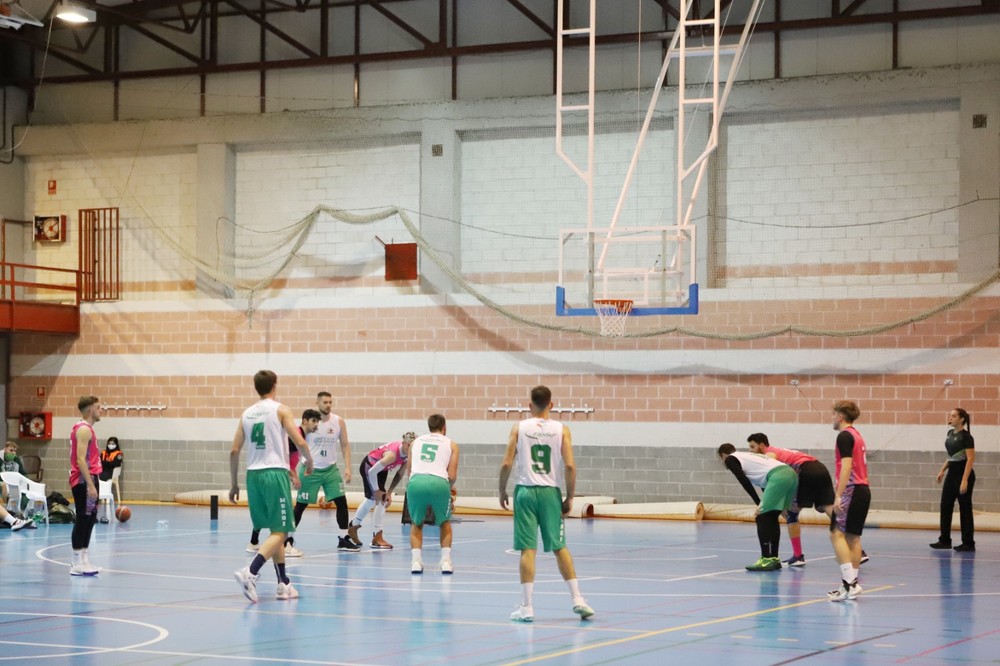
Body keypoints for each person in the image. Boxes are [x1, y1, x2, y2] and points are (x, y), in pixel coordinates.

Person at [499, 385, 594, 623]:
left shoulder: (518, 428)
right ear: (551, 405)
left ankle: (527, 607)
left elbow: (506, 464)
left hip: (525, 492)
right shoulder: (562, 429)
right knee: (559, 546)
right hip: (550, 493)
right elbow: (570, 466)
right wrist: (570, 497)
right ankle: (578, 599)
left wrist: (501, 489)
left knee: (527, 549)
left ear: (529, 405)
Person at [230, 370, 315, 603]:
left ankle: (283, 583)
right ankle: (251, 572)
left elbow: (234, 450)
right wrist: (309, 461)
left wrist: (234, 484)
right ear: (275, 385)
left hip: (252, 475)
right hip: (274, 473)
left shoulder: (246, 414)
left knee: (276, 531)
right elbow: (299, 440)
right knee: (282, 530)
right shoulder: (281, 409)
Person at [748, 433, 835, 567]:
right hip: (819, 467)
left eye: (752, 447)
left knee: (791, 515)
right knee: (830, 509)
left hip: (804, 470)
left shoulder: (768, 454)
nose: (751, 451)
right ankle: (857, 551)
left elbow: (775, 477)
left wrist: (779, 505)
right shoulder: (781, 450)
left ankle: (798, 555)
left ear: (761, 445)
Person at [247, 409, 321, 553]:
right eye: (313, 421)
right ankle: (285, 545)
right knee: (284, 511)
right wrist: (294, 476)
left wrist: (304, 462)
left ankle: (253, 542)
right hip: (278, 475)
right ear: (304, 420)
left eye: (317, 422)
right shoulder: (296, 436)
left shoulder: (301, 437)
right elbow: (283, 458)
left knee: (266, 510)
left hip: (270, 474)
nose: (316, 425)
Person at [717, 442, 798, 571]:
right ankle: (774, 558)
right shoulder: (747, 456)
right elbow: (764, 480)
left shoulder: (730, 459)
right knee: (771, 516)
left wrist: (758, 502)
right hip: (790, 474)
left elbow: (744, 481)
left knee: (761, 517)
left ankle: (766, 559)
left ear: (723, 455)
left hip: (778, 477)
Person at [296, 391, 355, 553]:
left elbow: (344, 445)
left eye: (330, 402)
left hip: (330, 470)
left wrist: (348, 467)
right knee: (301, 505)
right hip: (310, 470)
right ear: (317, 403)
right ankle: (287, 540)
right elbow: (298, 443)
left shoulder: (338, 421)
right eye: (325, 402)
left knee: (342, 503)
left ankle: (343, 539)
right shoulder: (310, 423)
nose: (328, 405)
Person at [827, 400, 871, 602]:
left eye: (833, 414)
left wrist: (838, 494)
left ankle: (850, 584)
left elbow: (846, 466)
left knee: (836, 534)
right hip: (863, 489)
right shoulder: (857, 435)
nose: (832, 418)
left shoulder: (844, 436)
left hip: (851, 490)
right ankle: (850, 585)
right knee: (853, 537)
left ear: (840, 416)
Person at [349, 432, 417, 550]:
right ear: (403, 443)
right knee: (380, 500)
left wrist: (389, 492)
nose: (410, 449)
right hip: (370, 467)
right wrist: (376, 491)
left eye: (413, 446)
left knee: (375, 500)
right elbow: (372, 472)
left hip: (382, 470)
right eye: (409, 445)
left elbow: (399, 474)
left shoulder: (409, 455)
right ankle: (377, 537)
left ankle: (353, 526)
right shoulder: (392, 455)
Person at [406, 420, 457, 574]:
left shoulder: (415, 442)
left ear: (429, 428)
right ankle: (446, 562)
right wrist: (449, 489)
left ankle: (416, 562)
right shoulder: (451, 444)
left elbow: (409, 471)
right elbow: (452, 475)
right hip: (439, 482)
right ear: (444, 428)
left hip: (416, 482)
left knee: (416, 522)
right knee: (445, 522)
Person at [930, 407, 976, 552]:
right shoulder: (950, 434)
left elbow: (970, 459)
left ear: (961, 419)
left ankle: (968, 543)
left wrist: (964, 480)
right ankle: (944, 540)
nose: (950, 418)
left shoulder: (967, 437)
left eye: (954, 416)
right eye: (950, 416)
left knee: (965, 508)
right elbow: (951, 456)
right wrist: (942, 470)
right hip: (952, 474)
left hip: (963, 473)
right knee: (945, 505)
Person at [69, 396, 104, 576]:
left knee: (90, 518)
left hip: (91, 477)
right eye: (98, 407)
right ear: (90, 410)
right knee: (83, 517)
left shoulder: (87, 429)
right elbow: (80, 459)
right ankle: (76, 562)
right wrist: (90, 484)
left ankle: (84, 559)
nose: (101, 410)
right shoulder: (83, 430)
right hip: (84, 479)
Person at [96, 437, 124, 523]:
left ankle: (105, 495)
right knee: (96, 477)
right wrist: (108, 463)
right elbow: (100, 462)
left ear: (116, 444)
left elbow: (116, 463)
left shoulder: (119, 454)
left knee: (103, 476)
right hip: (103, 470)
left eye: (113, 443)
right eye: (109, 443)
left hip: (112, 472)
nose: (111, 445)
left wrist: (106, 463)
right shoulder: (104, 452)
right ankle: (99, 497)